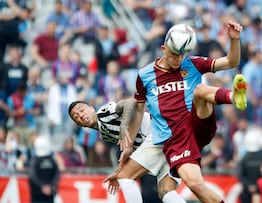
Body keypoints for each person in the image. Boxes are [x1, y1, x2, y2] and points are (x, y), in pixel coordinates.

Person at [119, 21, 246, 203]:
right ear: (163, 48)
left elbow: (231, 61)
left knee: (199, 91)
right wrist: (129, 144)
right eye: (174, 54)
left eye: (182, 55)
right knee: (195, 185)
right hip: (175, 140)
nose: (178, 59)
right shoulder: (145, 75)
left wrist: (234, 40)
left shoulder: (192, 64)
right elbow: (138, 111)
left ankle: (235, 97)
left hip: (196, 124)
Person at [68, 99, 185, 203]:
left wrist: (124, 126)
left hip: (157, 133)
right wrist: (118, 171)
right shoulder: (104, 135)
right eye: (76, 116)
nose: (80, 115)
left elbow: (131, 103)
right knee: (165, 192)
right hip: (168, 138)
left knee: (125, 177)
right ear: (78, 124)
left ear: (92, 108)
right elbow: (129, 150)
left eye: (81, 110)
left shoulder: (104, 113)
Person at [28, 135, 60, 203]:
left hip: (46, 195)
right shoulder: (50, 160)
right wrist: (47, 186)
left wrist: (45, 186)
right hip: (38, 195)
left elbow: (32, 175)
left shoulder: (35, 160)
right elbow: (32, 175)